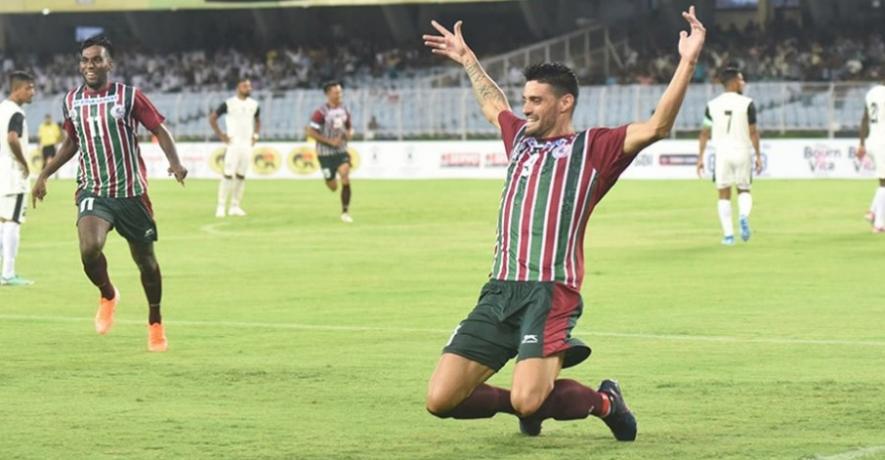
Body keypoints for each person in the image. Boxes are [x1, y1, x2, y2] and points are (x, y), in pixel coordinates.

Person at [421, 6, 705, 440]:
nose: (526, 108)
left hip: (550, 292)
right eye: (526, 100)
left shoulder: (595, 147)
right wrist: (467, 60)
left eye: (536, 100)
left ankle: (606, 401)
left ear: (564, 102)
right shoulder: (518, 137)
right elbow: (493, 103)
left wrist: (687, 61)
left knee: (529, 399)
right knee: (440, 400)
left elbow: (657, 126)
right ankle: (521, 403)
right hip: (499, 288)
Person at [31, 35, 188, 352]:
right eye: (85, 60)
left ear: (109, 63)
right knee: (89, 248)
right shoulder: (72, 101)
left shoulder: (129, 97)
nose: (90, 65)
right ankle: (108, 293)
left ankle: (155, 321)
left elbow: (158, 129)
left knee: (146, 262)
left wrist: (175, 162)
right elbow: (72, 142)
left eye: (96, 59)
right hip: (94, 189)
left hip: (131, 193)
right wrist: (45, 173)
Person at [696, 67, 762, 245]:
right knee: (744, 189)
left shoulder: (712, 105)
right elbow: (753, 132)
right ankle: (743, 215)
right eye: (740, 80)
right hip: (742, 151)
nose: (743, 83)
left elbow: (704, 132)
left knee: (723, 194)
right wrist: (758, 155)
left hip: (722, 153)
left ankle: (728, 236)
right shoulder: (748, 103)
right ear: (732, 82)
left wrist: (700, 158)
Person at [0, 71, 36, 286]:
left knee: (2, 221)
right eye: (29, 88)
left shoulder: (1, 109)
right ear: (18, 89)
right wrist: (24, 163)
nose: (33, 92)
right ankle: (9, 273)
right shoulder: (16, 113)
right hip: (14, 175)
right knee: (13, 222)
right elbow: (13, 139)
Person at [209, 77, 260, 217]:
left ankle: (235, 206)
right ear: (238, 87)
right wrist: (221, 135)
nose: (248, 88)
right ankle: (220, 206)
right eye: (245, 86)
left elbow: (257, 120)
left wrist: (255, 135)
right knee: (228, 174)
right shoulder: (229, 103)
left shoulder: (254, 104)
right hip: (233, 144)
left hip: (247, 145)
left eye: (249, 86)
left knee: (241, 175)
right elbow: (213, 118)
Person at [307, 81, 354, 223]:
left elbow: (349, 127)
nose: (339, 95)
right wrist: (330, 141)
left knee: (345, 176)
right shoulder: (320, 113)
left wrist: (350, 133)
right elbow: (311, 132)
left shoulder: (345, 109)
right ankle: (329, 178)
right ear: (328, 94)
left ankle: (345, 212)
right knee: (332, 186)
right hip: (325, 154)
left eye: (340, 92)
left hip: (341, 150)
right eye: (336, 92)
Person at [858, 82, 885, 233]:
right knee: (884, 183)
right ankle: (879, 224)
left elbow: (864, 119)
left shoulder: (872, 93)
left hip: (872, 141)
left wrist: (861, 144)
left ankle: (872, 211)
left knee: (884, 180)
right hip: (883, 142)